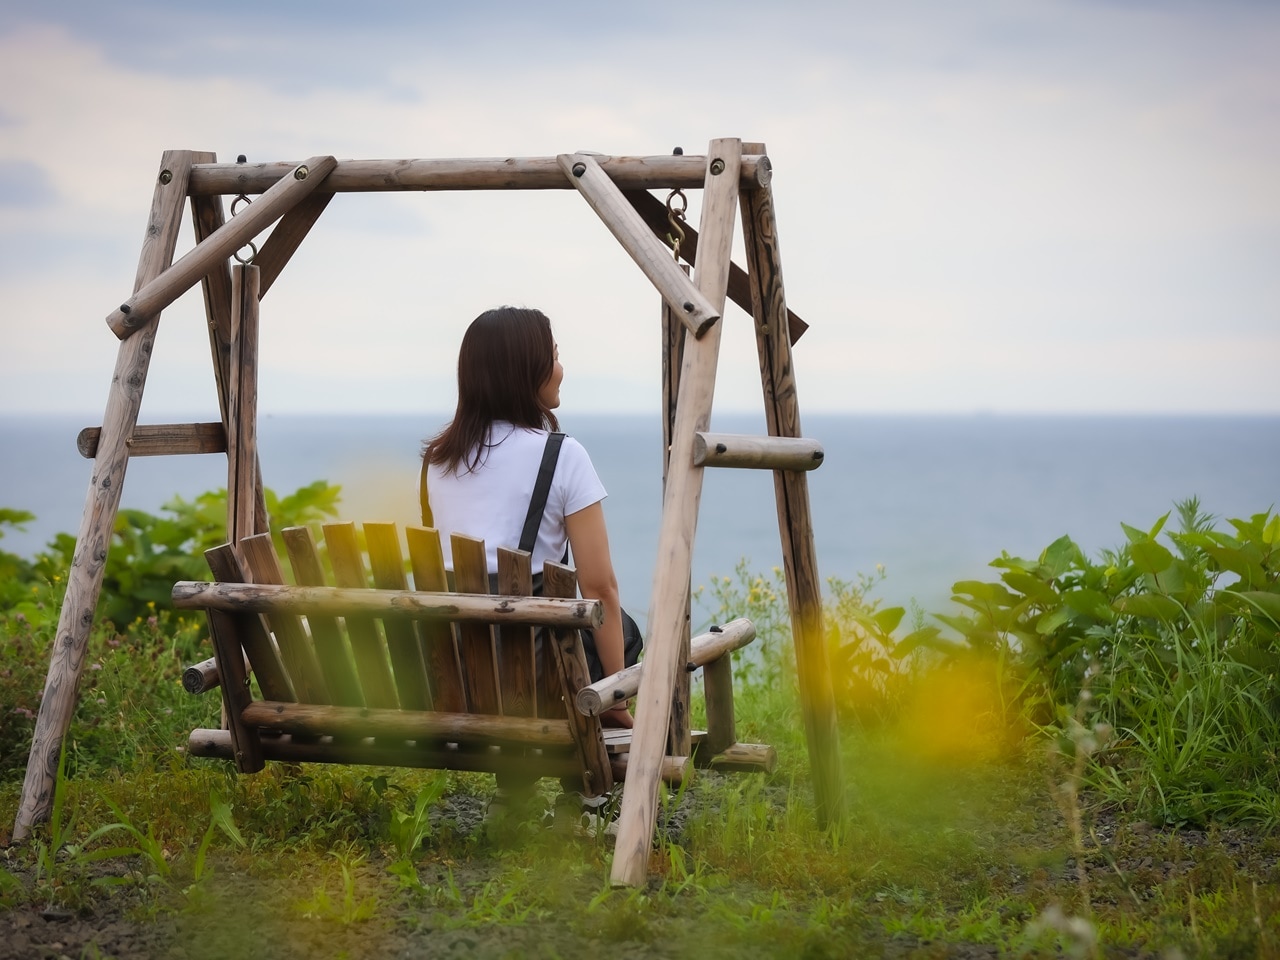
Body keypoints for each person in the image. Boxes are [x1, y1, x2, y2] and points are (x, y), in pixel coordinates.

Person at [421, 305, 637, 731]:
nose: (561, 369)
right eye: (554, 356)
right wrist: (614, 695)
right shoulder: (563, 455)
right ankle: (590, 791)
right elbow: (599, 586)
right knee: (622, 628)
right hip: (533, 675)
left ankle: (514, 791)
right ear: (527, 369)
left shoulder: (436, 461)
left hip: (457, 674)